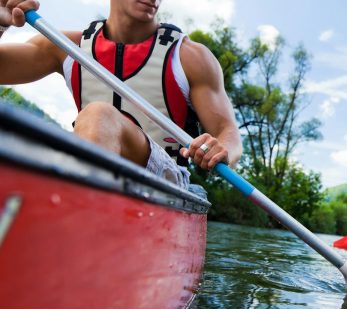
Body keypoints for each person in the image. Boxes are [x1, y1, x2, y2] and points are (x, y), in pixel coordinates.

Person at [0, 0, 242, 191]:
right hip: (89, 166)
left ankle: (68, 212)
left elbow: (229, 134)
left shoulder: (191, 57)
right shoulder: (64, 46)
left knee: (98, 114)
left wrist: (221, 149)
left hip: (166, 180)